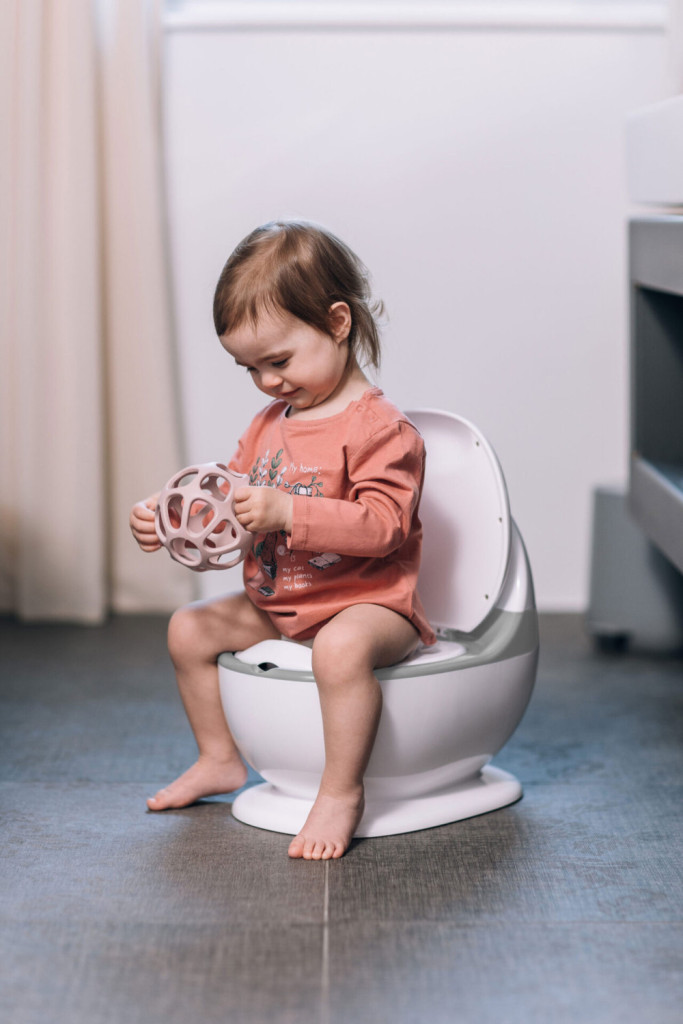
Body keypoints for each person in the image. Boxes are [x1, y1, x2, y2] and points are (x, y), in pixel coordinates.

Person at [130, 221, 436, 860]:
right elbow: (231, 507)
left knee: (340, 650)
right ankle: (218, 758)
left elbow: (385, 526)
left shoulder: (381, 430)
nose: (267, 380)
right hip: (284, 602)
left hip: (369, 603)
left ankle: (340, 791)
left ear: (337, 323)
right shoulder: (268, 424)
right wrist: (172, 518)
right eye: (250, 368)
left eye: (279, 361)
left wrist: (289, 510)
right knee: (189, 629)